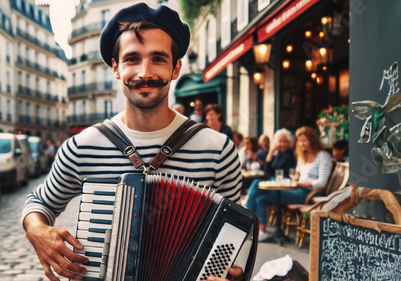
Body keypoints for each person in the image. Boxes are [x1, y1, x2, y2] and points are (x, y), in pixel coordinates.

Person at [21, 3, 242, 281]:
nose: (144, 73)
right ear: (116, 67)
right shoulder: (81, 147)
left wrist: (232, 274)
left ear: (175, 69)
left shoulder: (218, 150)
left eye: (158, 59)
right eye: (132, 59)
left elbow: (233, 243)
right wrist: (37, 230)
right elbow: (39, 203)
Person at [245, 128, 297, 240]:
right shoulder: (278, 154)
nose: (282, 144)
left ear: (290, 143)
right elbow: (268, 170)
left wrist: (272, 154)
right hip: (276, 183)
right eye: (280, 141)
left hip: (284, 186)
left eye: (285, 141)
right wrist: (272, 151)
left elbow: (274, 171)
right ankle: (262, 229)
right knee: (260, 198)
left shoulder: (289, 155)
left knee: (257, 183)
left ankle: (247, 210)